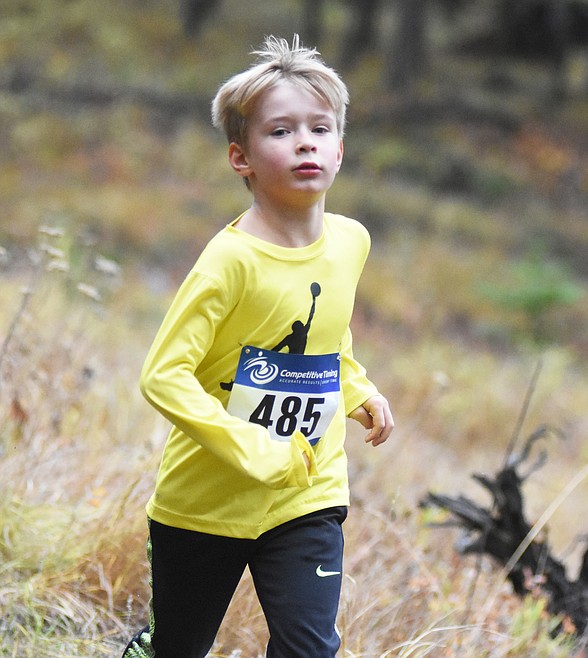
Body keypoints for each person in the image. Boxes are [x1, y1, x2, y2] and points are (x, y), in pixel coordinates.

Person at [122, 34, 394, 658]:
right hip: (205, 501)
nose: (305, 142)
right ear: (240, 158)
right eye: (281, 131)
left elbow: (326, 332)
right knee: (177, 647)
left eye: (320, 128)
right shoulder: (229, 261)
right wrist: (252, 448)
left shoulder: (351, 241)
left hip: (307, 489)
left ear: (340, 148)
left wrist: (356, 387)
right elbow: (163, 375)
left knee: (308, 649)